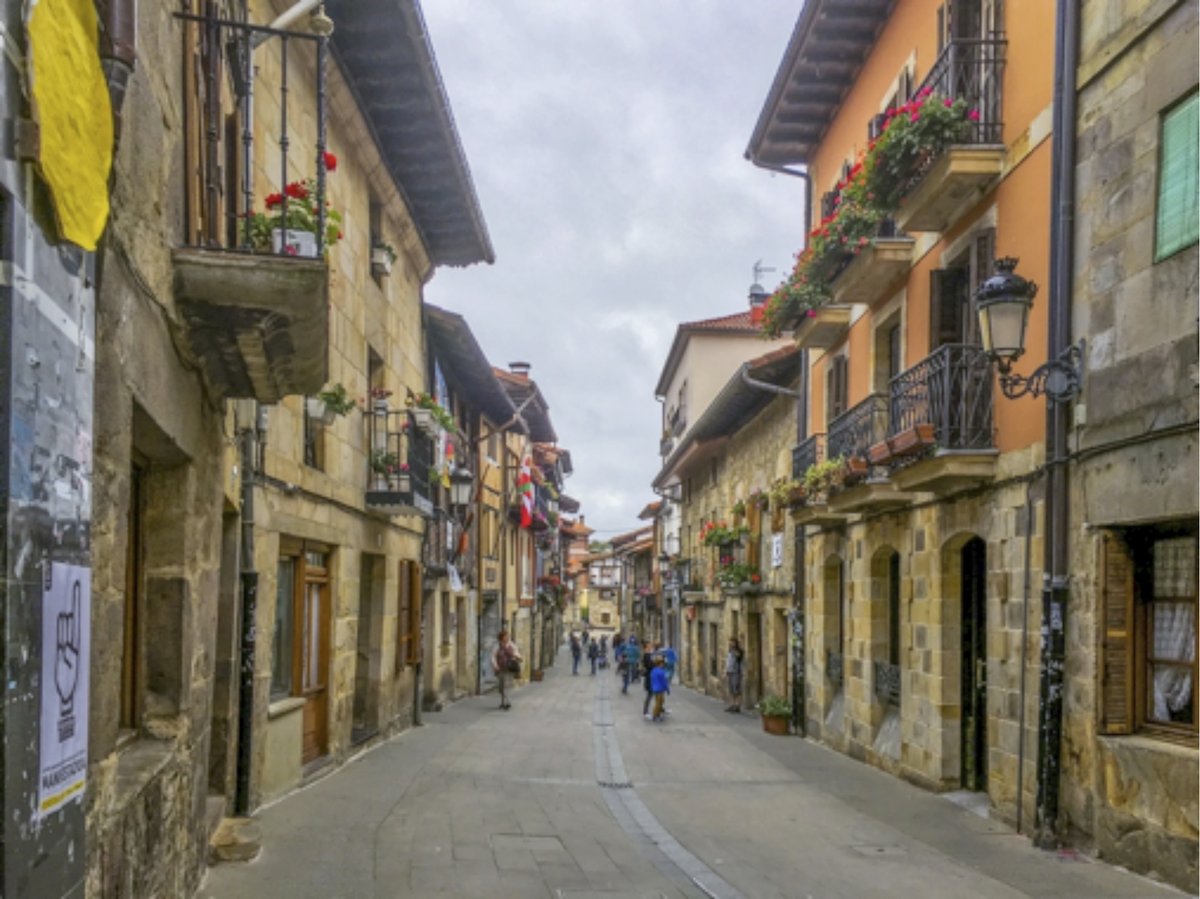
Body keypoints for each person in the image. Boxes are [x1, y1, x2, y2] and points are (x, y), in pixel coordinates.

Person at [491, 630, 522, 711]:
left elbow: (517, 653)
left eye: (508, 636)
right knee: (501, 687)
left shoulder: (511, 645)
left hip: (509, 668)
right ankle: (502, 702)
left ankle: (507, 702)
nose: (507, 637)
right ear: (501, 637)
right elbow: (493, 656)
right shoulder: (497, 646)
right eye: (505, 636)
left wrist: (517, 656)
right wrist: (495, 666)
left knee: (506, 686)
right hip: (500, 669)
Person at [725, 636, 745, 712]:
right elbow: (728, 661)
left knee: (736, 689)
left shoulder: (739, 651)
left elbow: (739, 657)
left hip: (736, 672)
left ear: (735, 643)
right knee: (731, 690)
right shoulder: (729, 651)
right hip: (730, 671)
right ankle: (732, 704)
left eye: (732, 642)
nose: (731, 644)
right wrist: (726, 670)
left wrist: (735, 651)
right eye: (730, 642)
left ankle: (737, 705)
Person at [650, 656, 671, 722]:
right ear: (660, 664)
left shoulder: (653, 671)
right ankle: (655, 715)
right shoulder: (661, 672)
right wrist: (667, 689)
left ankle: (658, 714)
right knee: (659, 703)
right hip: (660, 689)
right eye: (662, 664)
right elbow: (664, 682)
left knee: (659, 701)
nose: (663, 665)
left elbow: (652, 680)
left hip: (655, 688)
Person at [641, 642, 657, 718]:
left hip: (651, 677)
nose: (651, 647)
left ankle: (660, 708)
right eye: (649, 646)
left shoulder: (649, 655)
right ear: (646, 647)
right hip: (649, 678)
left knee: (654, 694)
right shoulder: (646, 656)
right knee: (650, 694)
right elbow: (650, 665)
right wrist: (655, 663)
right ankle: (645, 711)